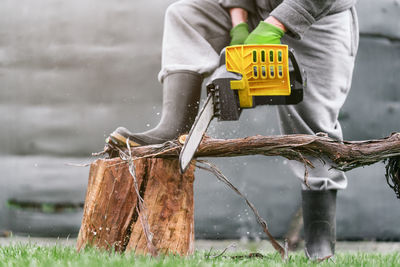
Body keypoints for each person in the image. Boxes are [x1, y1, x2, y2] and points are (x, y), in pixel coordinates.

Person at [109, 0, 359, 259]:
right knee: (185, 15)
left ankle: (320, 243)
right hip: (257, 11)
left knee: (314, 128)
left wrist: (273, 27)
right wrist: (238, 25)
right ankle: (174, 127)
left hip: (319, 20)